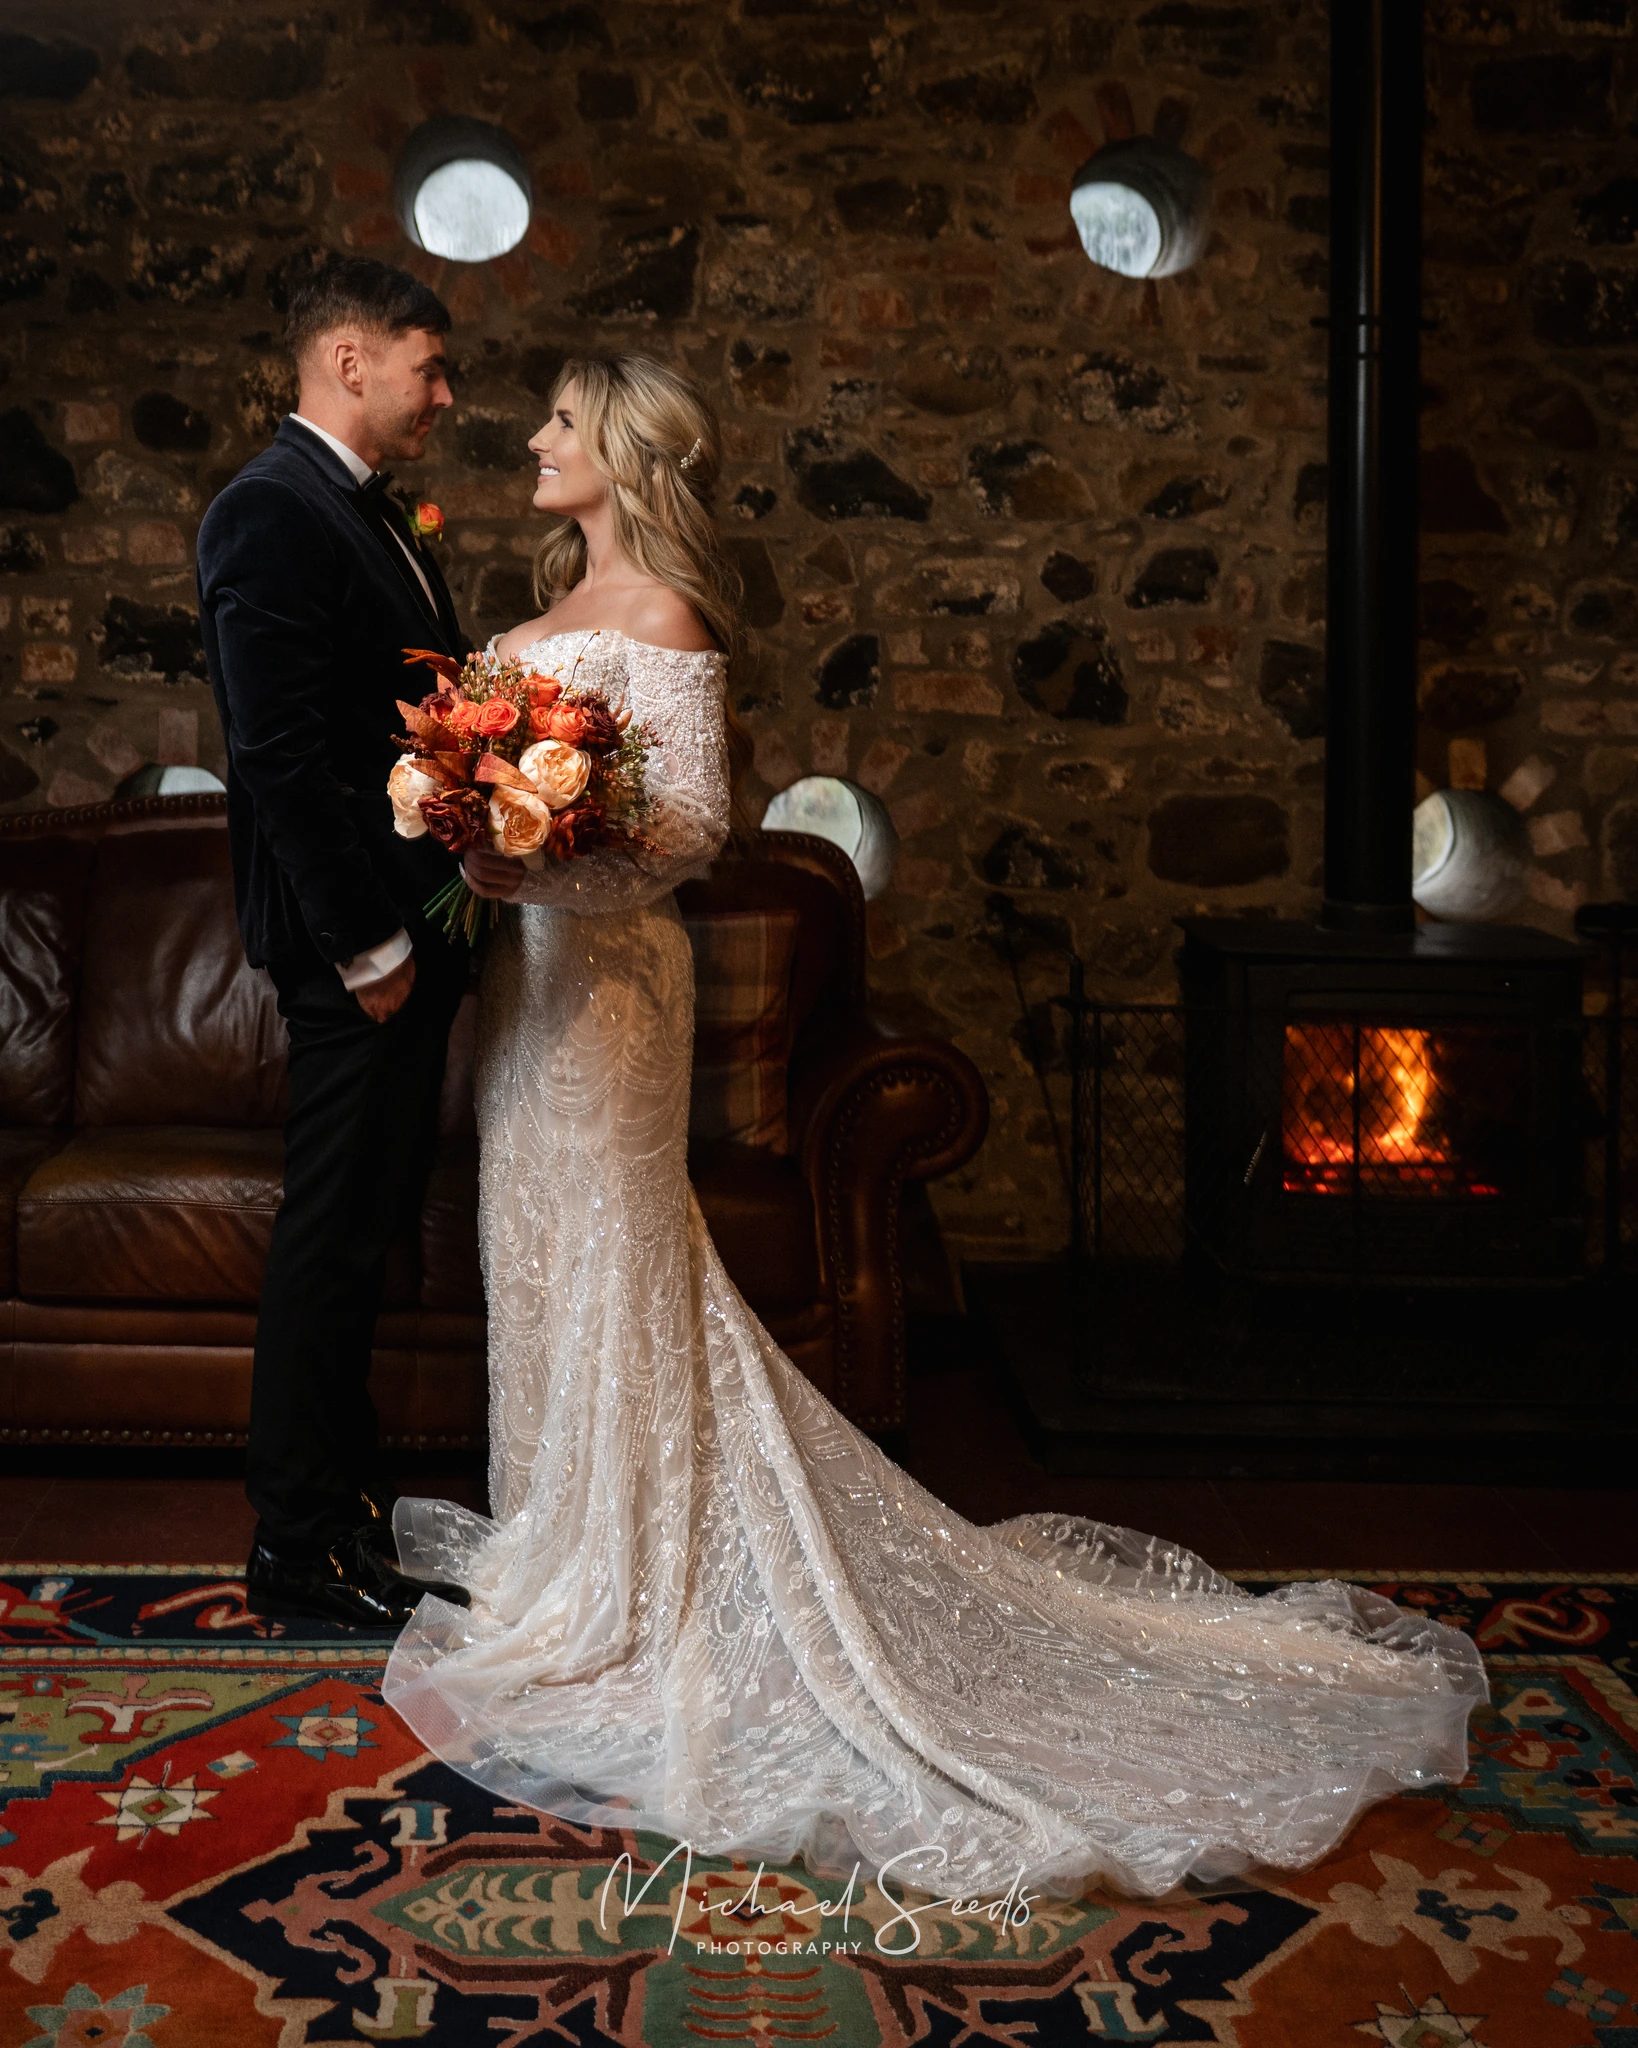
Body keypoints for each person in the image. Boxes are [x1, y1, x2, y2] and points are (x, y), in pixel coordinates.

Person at [381, 353, 1486, 1901]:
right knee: (535, 1249)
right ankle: (561, 1539)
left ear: (622, 450)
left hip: (618, 984)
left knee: (617, 1247)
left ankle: (634, 1578)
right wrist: (475, 842)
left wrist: (548, 858)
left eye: (562, 419)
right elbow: (479, 801)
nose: (535, 436)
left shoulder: (666, 620)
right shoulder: (530, 619)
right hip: (532, 986)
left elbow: (690, 829)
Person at [198, 256, 473, 1629]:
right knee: (331, 1234)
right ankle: (295, 1541)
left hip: (411, 934)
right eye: (430, 366)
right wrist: (369, 946)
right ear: (350, 360)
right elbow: (281, 756)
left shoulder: (367, 509)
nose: (446, 395)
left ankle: (346, 1509)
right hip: (356, 952)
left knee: (365, 1233)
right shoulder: (270, 507)